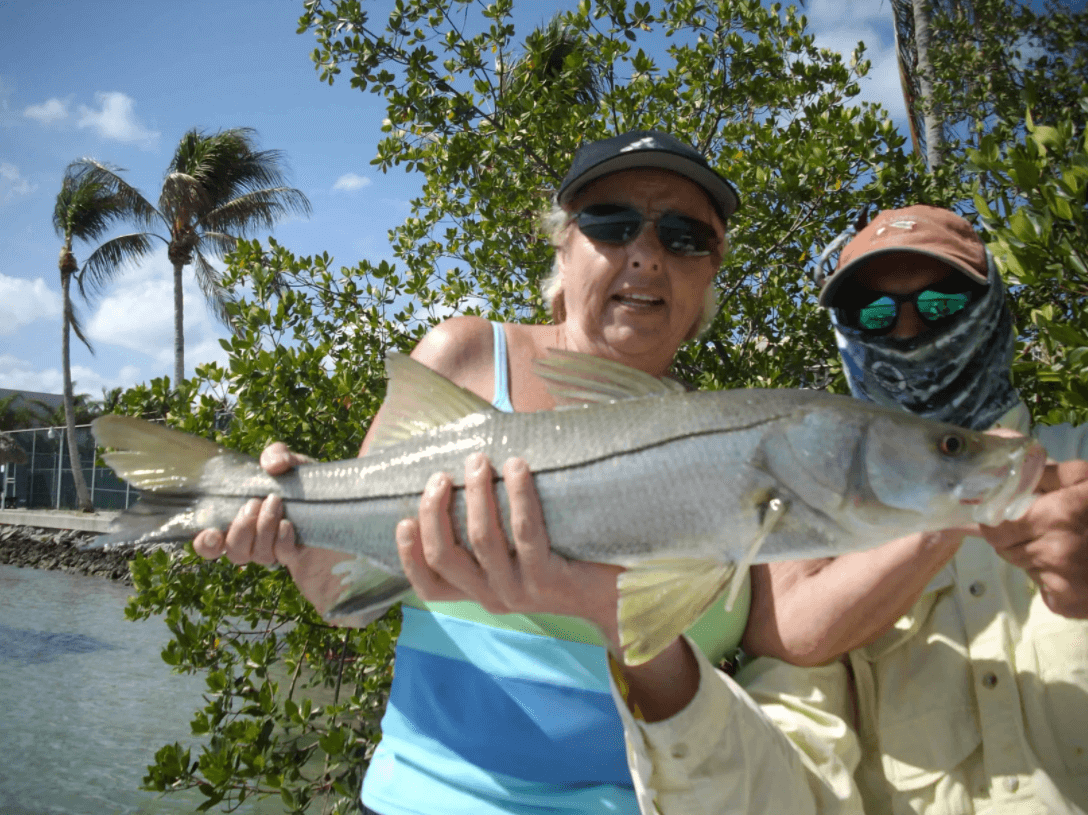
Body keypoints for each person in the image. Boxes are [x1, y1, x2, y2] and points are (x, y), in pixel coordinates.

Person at [192, 130, 746, 815]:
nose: (646, 254)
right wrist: (293, 525)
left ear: (712, 269)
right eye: (611, 223)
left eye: (686, 236)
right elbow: (343, 592)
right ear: (563, 246)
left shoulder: (748, 448)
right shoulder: (470, 357)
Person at [611, 204, 1088, 814]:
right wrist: (947, 509)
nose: (909, 332)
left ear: (992, 311)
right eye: (875, 313)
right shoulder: (803, 517)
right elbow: (792, 715)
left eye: (941, 304)